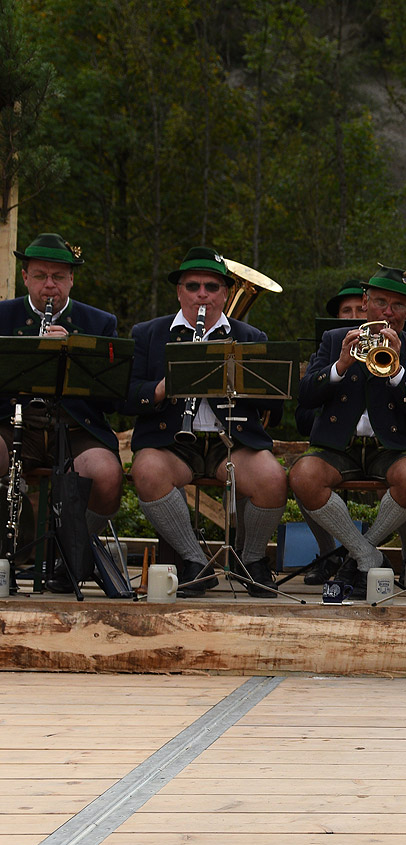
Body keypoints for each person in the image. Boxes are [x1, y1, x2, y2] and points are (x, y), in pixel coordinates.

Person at [126, 247, 287, 597]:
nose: (203, 294)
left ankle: (253, 560)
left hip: (232, 442)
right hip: (172, 442)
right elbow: (125, 395)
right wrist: (161, 389)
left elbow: (276, 406)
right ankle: (195, 561)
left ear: (225, 293)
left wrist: (240, 384)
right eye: (194, 286)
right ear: (179, 291)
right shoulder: (149, 333)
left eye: (212, 287)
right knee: (147, 471)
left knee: (273, 479)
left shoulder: (249, 337)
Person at [289, 265, 406, 598]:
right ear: (365, 302)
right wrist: (339, 366)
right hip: (339, 444)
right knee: (303, 476)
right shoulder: (333, 340)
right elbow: (305, 396)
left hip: (393, 447)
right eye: (380, 302)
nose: (387, 312)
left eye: (398, 305)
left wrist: (398, 372)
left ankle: (355, 556)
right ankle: (368, 556)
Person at [1, 233, 124, 593]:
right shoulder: (3, 316)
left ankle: (69, 554)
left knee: (106, 475)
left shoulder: (99, 322)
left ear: (72, 279)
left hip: (74, 427)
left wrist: (72, 355)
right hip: (12, 423)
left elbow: (112, 402)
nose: (49, 286)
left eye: (58, 277)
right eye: (40, 276)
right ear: (25, 277)